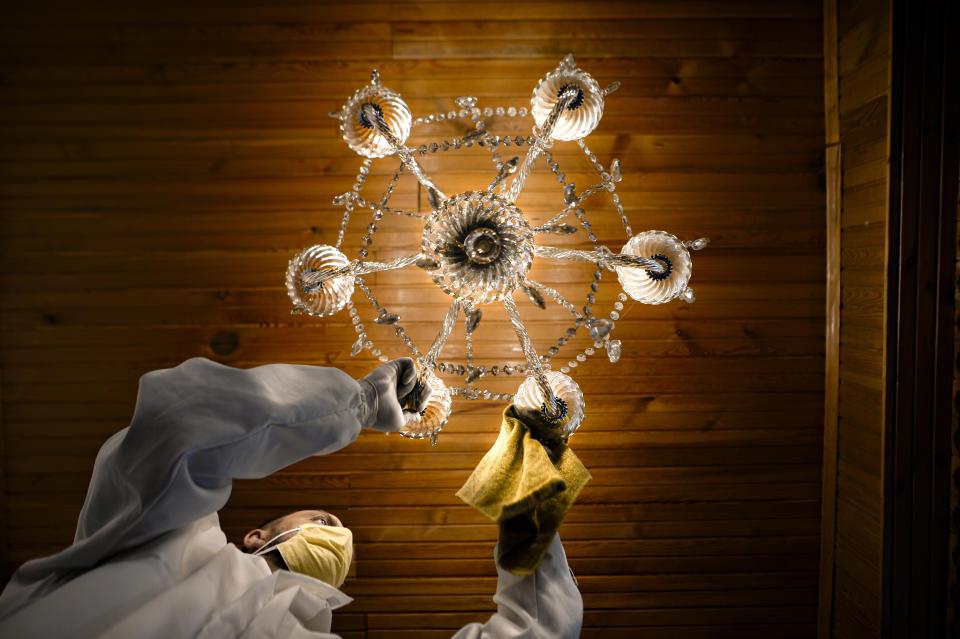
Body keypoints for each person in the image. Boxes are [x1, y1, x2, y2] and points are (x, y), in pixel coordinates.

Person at [0, 357, 583, 638]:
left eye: (344, 549)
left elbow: (538, 632)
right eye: (326, 519)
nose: (339, 537)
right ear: (256, 535)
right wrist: (361, 403)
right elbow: (184, 420)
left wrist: (528, 477)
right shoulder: (166, 534)